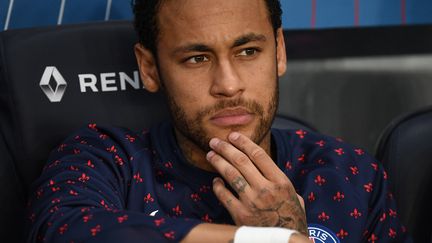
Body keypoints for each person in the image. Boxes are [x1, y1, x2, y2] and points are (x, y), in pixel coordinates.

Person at [26, 0, 411, 242]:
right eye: (197, 58)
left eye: (247, 51)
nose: (228, 85)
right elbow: (66, 231)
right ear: (150, 67)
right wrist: (269, 241)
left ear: (278, 51)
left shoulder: (351, 174)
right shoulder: (106, 158)